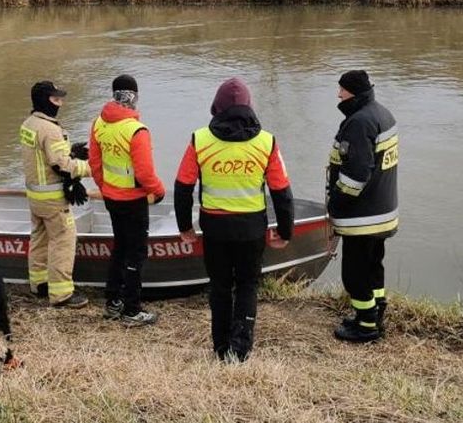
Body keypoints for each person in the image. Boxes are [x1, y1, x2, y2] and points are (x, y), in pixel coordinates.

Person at [174, 78, 293, 362]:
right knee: (248, 285)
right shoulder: (267, 141)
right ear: (249, 106)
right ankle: (239, 350)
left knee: (220, 286)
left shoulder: (199, 139)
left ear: (217, 106)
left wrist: (185, 227)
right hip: (251, 228)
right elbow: (282, 191)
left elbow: (182, 186)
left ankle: (220, 347)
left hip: (214, 227)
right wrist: (286, 230)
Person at [327, 70, 399, 343]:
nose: (338, 95)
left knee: (355, 273)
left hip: (362, 217)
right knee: (373, 266)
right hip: (382, 211)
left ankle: (366, 325)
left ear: (353, 92)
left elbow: (355, 176)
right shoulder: (383, 114)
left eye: (342, 90)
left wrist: (335, 204)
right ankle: (375, 312)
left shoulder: (358, 123)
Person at [89, 75, 166, 326]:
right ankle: (132, 310)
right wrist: (160, 190)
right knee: (135, 254)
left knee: (120, 249)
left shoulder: (99, 123)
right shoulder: (136, 131)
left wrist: (104, 187)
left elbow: (95, 164)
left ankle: (112, 302)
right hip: (133, 201)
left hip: (112, 197)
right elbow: (144, 173)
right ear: (134, 96)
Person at [19, 81, 92, 308]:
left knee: (39, 238)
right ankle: (62, 294)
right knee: (63, 241)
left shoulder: (28, 124)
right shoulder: (50, 129)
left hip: (35, 196)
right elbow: (60, 165)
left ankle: (39, 284)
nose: (60, 103)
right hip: (52, 198)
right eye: (55, 99)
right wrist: (89, 168)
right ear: (45, 100)